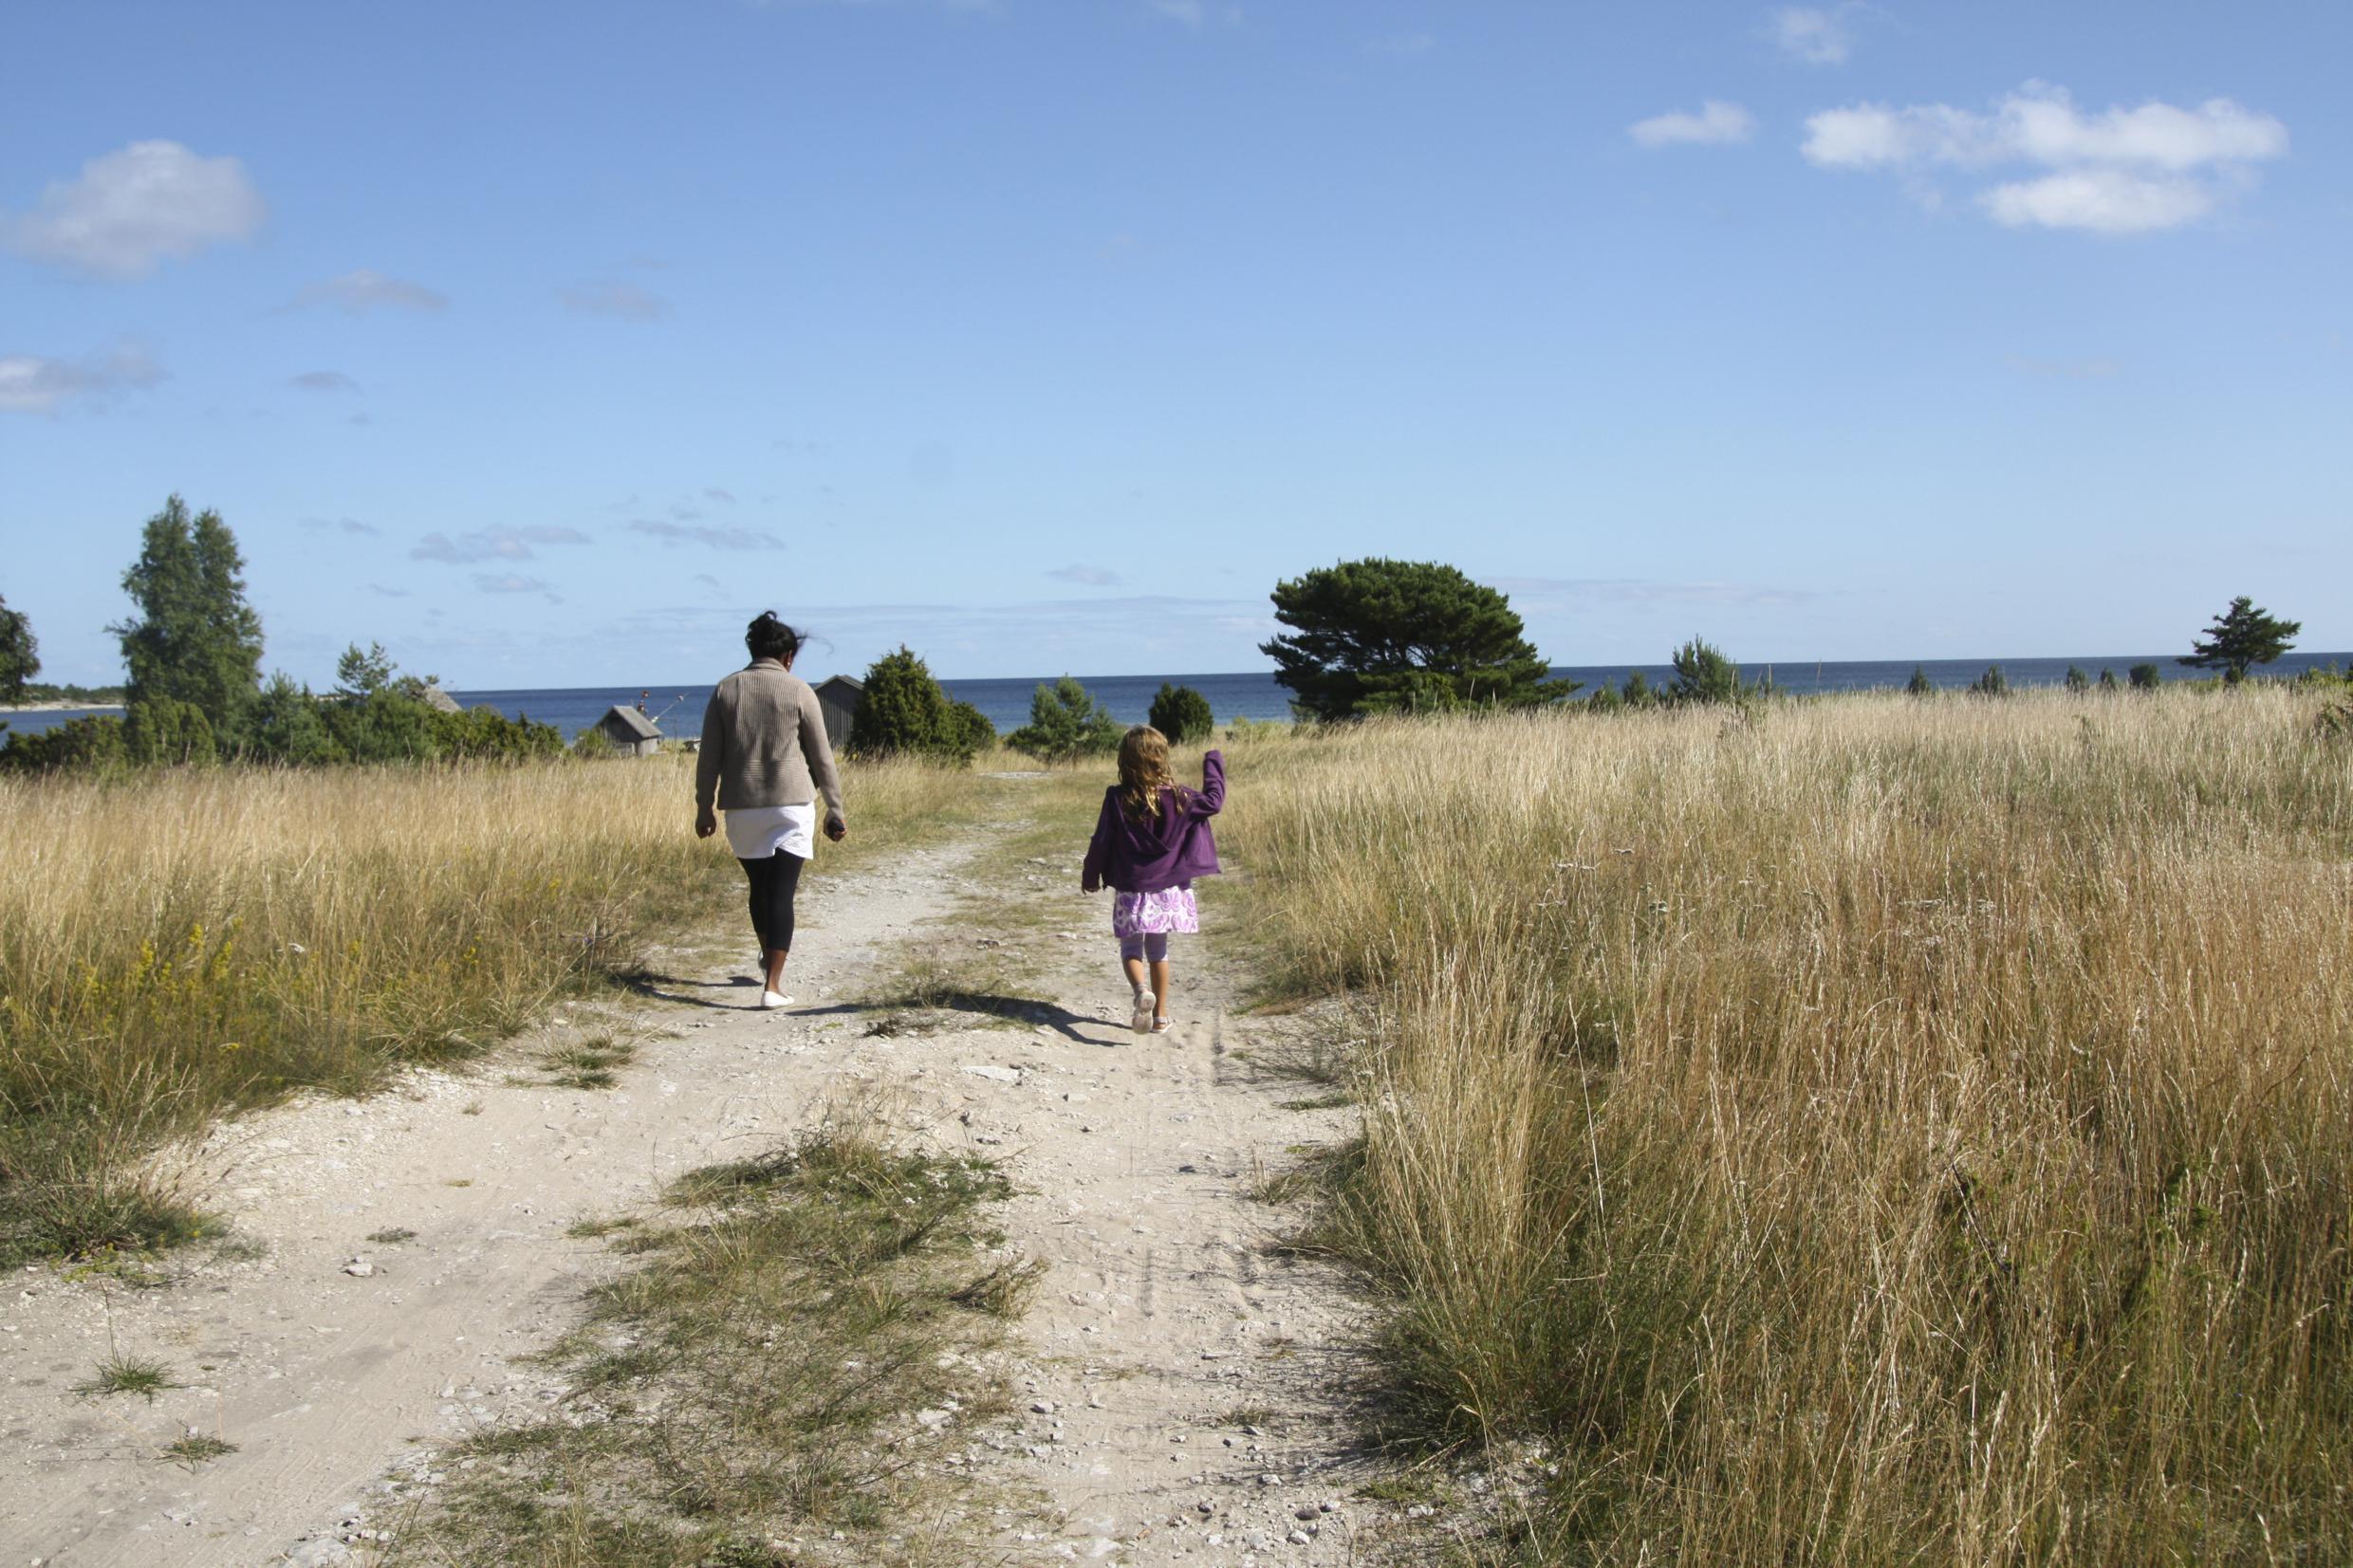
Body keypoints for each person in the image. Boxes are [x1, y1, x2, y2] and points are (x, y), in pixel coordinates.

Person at [694, 613, 847, 1009]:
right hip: (792, 803)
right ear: (789, 656)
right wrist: (835, 807)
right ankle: (773, 985)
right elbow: (821, 757)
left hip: (741, 806)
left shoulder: (726, 690)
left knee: (759, 889)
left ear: (752, 650)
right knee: (781, 893)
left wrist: (704, 808)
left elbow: (709, 757)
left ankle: (768, 953)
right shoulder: (799, 691)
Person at [1081, 726, 1224, 1035]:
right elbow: (1214, 801)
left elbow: (1102, 840)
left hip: (1132, 889)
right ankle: (1160, 1017)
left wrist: (1091, 874)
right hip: (1168, 891)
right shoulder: (1181, 797)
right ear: (1161, 758)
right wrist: (1213, 761)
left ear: (1125, 760)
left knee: (1130, 948)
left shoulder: (1117, 798)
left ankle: (1140, 991)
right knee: (1159, 951)